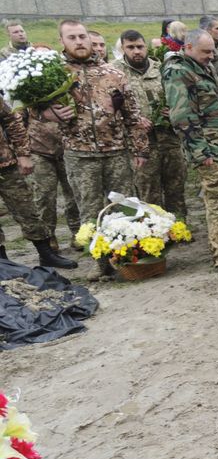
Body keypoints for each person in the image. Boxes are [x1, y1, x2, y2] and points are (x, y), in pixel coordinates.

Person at [44, 20, 147, 276]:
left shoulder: (113, 73)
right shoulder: (54, 73)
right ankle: (100, 263)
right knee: (89, 210)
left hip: (116, 151)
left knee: (123, 207)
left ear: (90, 40)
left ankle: (128, 257)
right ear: (62, 42)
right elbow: (33, 112)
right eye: (72, 37)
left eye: (82, 36)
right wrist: (46, 112)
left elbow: (133, 115)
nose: (78, 41)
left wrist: (140, 149)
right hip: (80, 155)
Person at [163, 29, 218, 274]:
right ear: (188, 47)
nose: (211, 56)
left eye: (213, 50)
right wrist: (200, 153)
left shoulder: (202, 67)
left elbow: (215, 100)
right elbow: (182, 116)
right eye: (205, 51)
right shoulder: (178, 72)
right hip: (208, 149)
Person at [115, 30, 186, 219]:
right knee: (148, 189)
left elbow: (177, 96)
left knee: (176, 185)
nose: (136, 51)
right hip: (140, 144)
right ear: (123, 49)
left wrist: (172, 111)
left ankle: (179, 226)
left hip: (169, 138)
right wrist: (132, 120)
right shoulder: (115, 73)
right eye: (131, 48)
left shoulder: (161, 69)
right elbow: (109, 110)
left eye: (139, 47)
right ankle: (155, 229)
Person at [0, 98, 73, 268]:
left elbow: (12, 120)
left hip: (5, 164)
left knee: (27, 209)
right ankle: (3, 263)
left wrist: (23, 153)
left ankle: (46, 254)